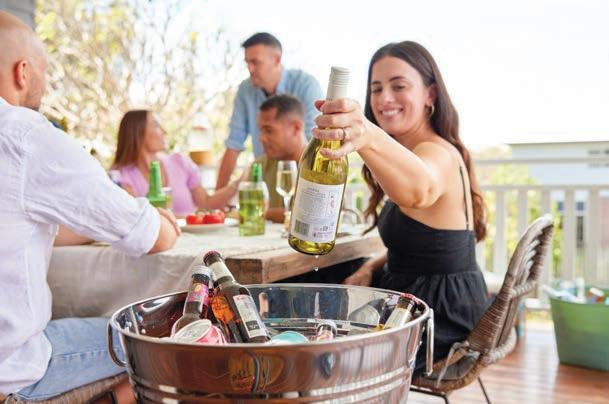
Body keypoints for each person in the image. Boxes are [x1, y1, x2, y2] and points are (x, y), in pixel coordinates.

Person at [0, 11, 179, 401]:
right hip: (12, 370)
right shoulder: (25, 136)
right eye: (44, 71)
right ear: (23, 72)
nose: (45, 83)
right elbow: (151, 236)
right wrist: (164, 222)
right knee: (173, 327)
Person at [312, 41, 489, 375]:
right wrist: (370, 266)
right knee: (324, 283)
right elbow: (425, 247)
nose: (384, 99)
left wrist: (367, 135)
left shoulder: (438, 152)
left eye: (399, 86)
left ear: (430, 95)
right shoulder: (414, 151)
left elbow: (421, 189)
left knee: (313, 350)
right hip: (416, 300)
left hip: (438, 319)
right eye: (376, 89)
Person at [215, 32, 323, 189]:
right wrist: (219, 194)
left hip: (302, 175)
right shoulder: (245, 90)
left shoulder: (306, 85)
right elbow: (234, 143)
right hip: (265, 177)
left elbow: (312, 141)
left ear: (276, 60)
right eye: (247, 63)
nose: (250, 69)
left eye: (255, 62)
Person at [112, 110, 239, 217]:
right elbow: (135, 218)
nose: (164, 131)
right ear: (137, 132)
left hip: (194, 237)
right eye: (156, 125)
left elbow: (206, 203)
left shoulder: (180, 162)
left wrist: (238, 184)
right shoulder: (122, 177)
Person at [256, 94, 307, 223]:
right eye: (261, 131)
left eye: (268, 130)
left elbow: (310, 215)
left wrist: (262, 213)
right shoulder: (262, 164)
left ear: (295, 128)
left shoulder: (319, 164)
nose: (261, 138)